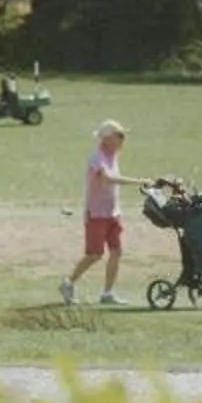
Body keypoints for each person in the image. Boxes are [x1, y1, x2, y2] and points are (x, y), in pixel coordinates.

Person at [59, 119, 144, 305]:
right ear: (107, 138)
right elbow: (109, 178)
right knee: (94, 254)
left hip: (113, 213)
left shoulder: (113, 156)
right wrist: (139, 182)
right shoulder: (96, 158)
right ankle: (69, 282)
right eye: (119, 136)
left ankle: (107, 293)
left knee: (116, 251)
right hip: (96, 214)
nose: (123, 140)